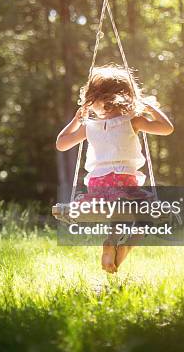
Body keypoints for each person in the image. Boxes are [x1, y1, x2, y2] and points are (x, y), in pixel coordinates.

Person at [55, 64, 174, 273]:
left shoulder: (88, 127)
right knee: (152, 215)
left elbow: (61, 143)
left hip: (98, 188)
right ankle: (126, 245)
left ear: (93, 101)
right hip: (126, 185)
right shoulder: (133, 121)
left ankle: (111, 241)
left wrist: (76, 120)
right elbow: (167, 128)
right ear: (127, 97)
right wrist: (150, 107)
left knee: (116, 212)